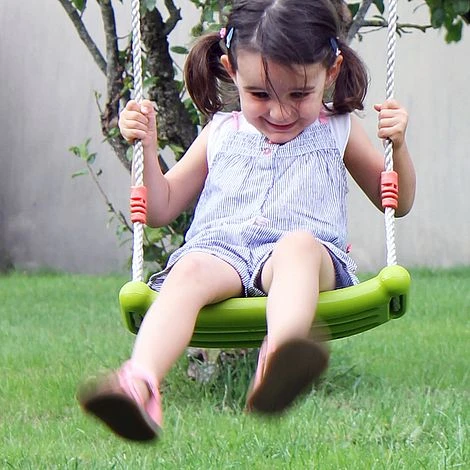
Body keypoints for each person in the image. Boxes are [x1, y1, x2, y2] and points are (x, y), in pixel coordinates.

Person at [78, 0, 416, 442]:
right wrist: (147, 146)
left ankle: (281, 362)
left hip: (306, 259)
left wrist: (398, 146)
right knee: (189, 268)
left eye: (299, 94)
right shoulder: (219, 131)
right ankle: (138, 383)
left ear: (330, 72)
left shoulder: (339, 128)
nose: (280, 113)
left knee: (297, 245)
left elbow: (396, 201)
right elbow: (161, 208)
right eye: (260, 95)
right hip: (222, 257)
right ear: (231, 71)